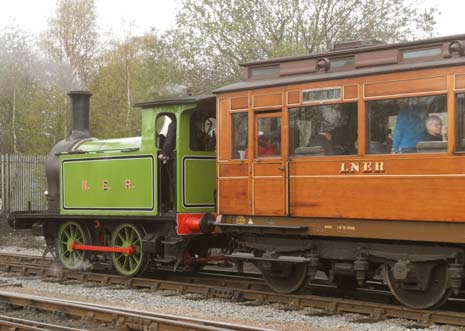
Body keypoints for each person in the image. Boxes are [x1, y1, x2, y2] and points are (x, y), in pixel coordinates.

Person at [159, 121, 176, 212]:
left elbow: (169, 141)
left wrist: (163, 154)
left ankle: (175, 206)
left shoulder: (173, 124)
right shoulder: (194, 123)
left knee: (173, 183)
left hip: (174, 158)